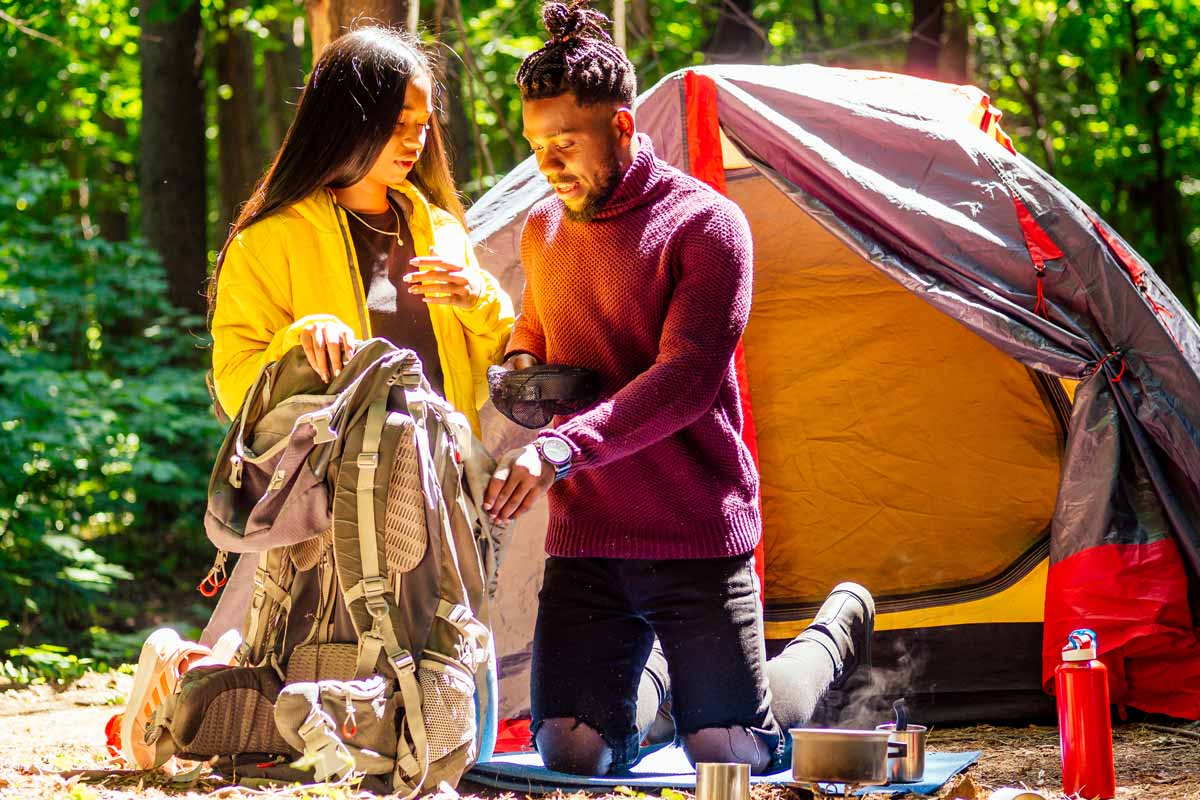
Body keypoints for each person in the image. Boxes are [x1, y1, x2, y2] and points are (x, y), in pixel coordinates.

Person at [483, 1, 875, 776]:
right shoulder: (541, 228)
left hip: (693, 529)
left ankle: (834, 626)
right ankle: (667, 678)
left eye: (566, 144)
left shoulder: (707, 224)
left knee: (731, 752)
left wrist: (558, 446)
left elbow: (688, 380)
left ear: (624, 129)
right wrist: (523, 365)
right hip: (589, 532)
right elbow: (537, 325)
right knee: (571, 749)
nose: (548, 165)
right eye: (535, 147)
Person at [210, 27, 513, 434]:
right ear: (346, 121)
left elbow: (477, 387)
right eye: (398, 121)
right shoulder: (268, 240)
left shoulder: (442, 232)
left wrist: (477, 302)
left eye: (422, 123)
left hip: (442, 480)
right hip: (334, 491)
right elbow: (235, 389)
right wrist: (299, 343)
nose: (414, 141)